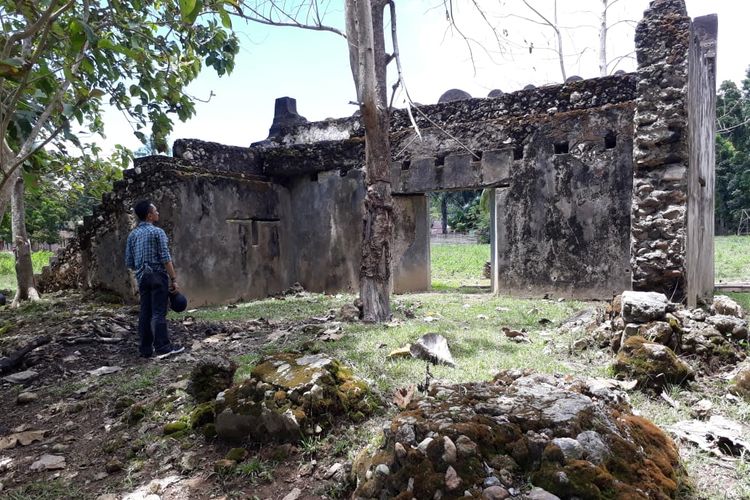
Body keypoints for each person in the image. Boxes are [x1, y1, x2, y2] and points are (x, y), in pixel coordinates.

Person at [125, 200, 184, 359]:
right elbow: (165, 258)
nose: (158, 213)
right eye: (156, 211)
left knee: (145, 312)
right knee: (158, 312)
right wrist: (174, 279)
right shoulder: (158, 232)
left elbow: (129, 262)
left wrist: (142, 269)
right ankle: (163, 347)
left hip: (142, 278)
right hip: (158, 275)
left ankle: (145, 349)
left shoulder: (133, 235)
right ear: (150, 216)